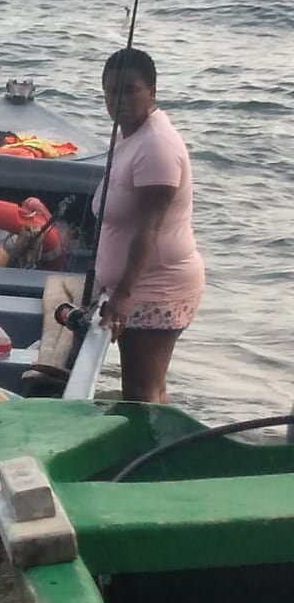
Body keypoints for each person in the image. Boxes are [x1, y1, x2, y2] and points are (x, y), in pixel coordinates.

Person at [94, 46, 204, 403]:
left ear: (152, 92)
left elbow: (149, 228)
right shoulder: (133, 134)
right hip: (140, 285)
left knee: (140, 394)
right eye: (111, 91)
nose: (118, 100)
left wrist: (123, 294)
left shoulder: (156, 145)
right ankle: (160, 454)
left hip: (155, 288)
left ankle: (149, 456)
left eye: (130, 90)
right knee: (151, 388)